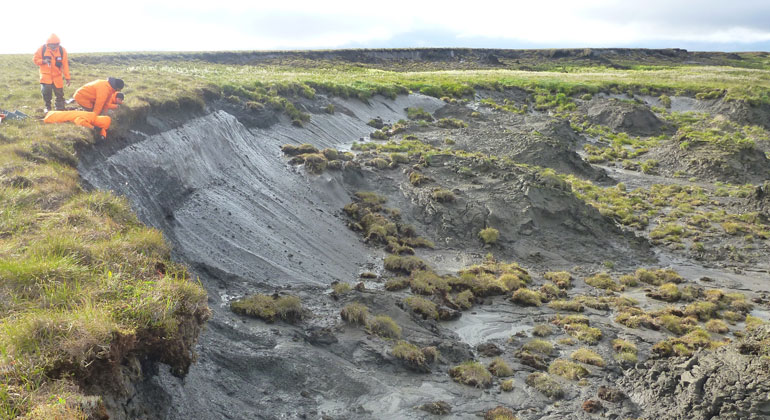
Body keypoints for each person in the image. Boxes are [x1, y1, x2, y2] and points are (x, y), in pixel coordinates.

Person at [33, 34, 70, 112]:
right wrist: (43, 61)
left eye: (56, 44)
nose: (54, 46)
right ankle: (48, 107)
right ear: (48, 44)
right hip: (45, 76)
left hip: (57, 76)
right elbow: (35, 60)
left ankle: (60, 108)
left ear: (58, 44)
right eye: (52, 44)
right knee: (46, 92)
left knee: (59, 93)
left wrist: (67, 78)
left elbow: (65, 65)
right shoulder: (42, 49)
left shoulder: (62, 51)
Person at [43, 110, 111, 139]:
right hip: (53, 117)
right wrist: (92, 127)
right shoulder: (89, 118)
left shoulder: (92, 116)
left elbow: (102, 128)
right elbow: (79, 122)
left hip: (56, 114)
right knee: (57, 117)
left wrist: (103, 135)